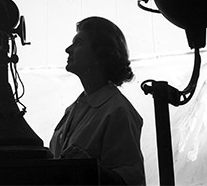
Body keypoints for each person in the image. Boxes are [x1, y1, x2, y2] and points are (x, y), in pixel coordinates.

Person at [50, 16, 145, 185]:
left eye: (78, 43)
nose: (68, 49)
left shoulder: (118, 111)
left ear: (100, 54)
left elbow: (131, 180)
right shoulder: (73, 109)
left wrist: (93, 171)